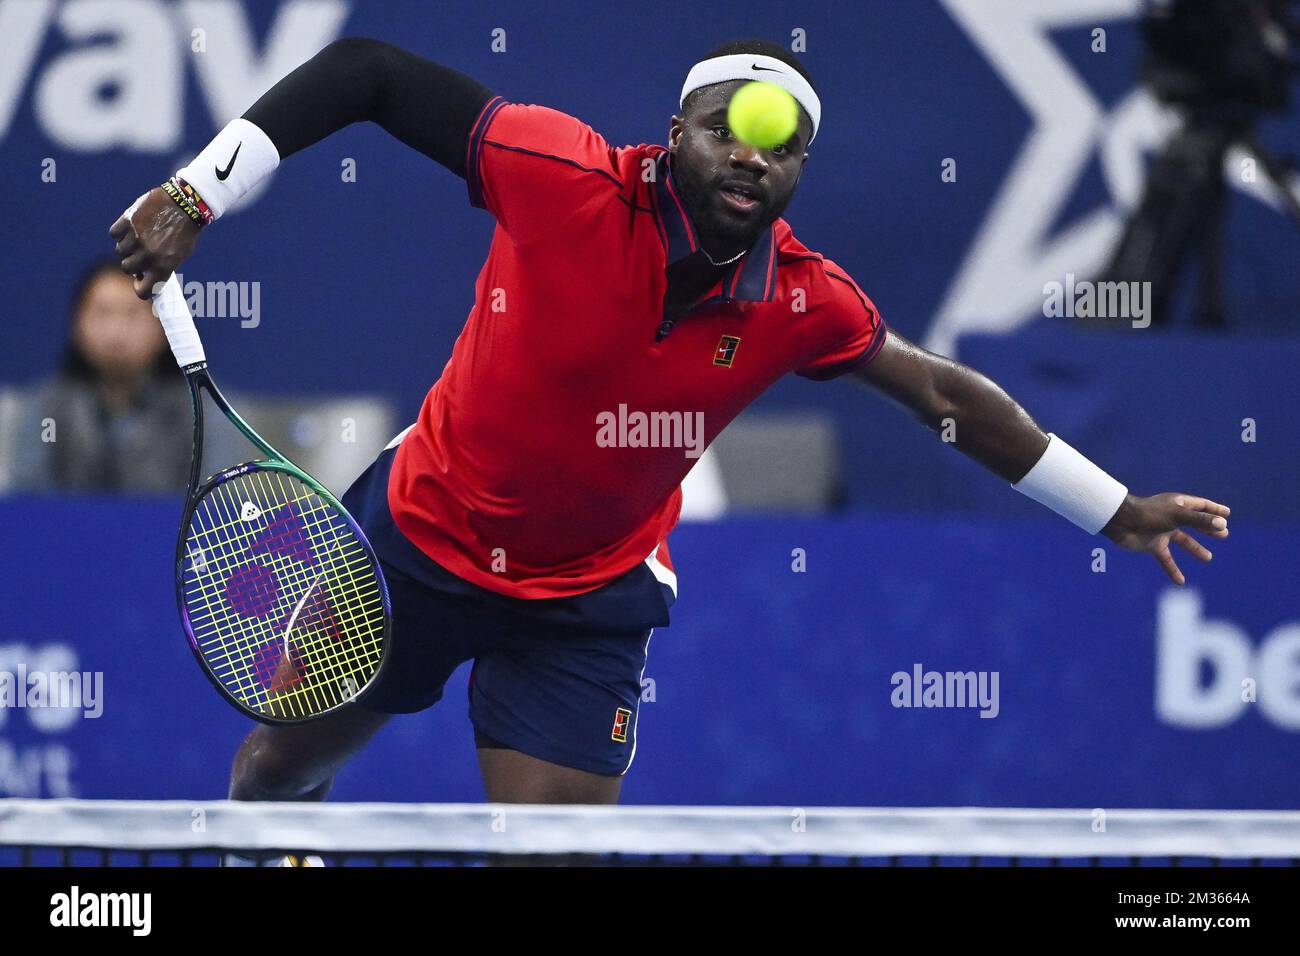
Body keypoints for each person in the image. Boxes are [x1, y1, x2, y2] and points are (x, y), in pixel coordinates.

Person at [108, 37, 1231, 811]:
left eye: (783, 145)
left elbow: (944, 396)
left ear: (798, 171)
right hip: (422, 533)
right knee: (271, 775)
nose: (752, 154)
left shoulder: (804, 298)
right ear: (675, 132)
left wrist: (1114, 508)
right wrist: (197, 192)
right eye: (728, 130)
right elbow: (367, 75)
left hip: (587, 599)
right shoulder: (555, 172)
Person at [13, 260, 190, 492]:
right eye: (102, 313)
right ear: (77, 325)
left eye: (132, 314)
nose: (116, 333)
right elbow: (32, 499)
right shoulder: (47, 412)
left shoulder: (200, 412)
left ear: (163, 327)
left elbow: (216, 502)